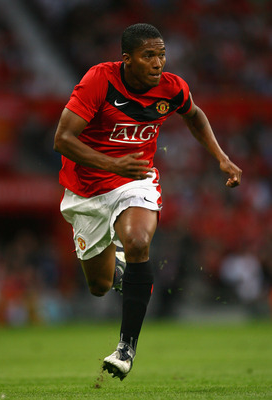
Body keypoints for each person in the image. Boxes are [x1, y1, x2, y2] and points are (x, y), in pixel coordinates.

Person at [53, 23, 242, 380]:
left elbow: (195, 115)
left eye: (162, 54)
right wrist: (112, 163)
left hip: (135, 180)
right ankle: (121, 258)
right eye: (149, 56)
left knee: (139, 241)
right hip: (86, 191)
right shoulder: (100, 81)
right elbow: (62, 139)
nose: (158, 63)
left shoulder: (172, 87)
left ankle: (126, 348)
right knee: (100, 287)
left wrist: (221, 157)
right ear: (127, 59)